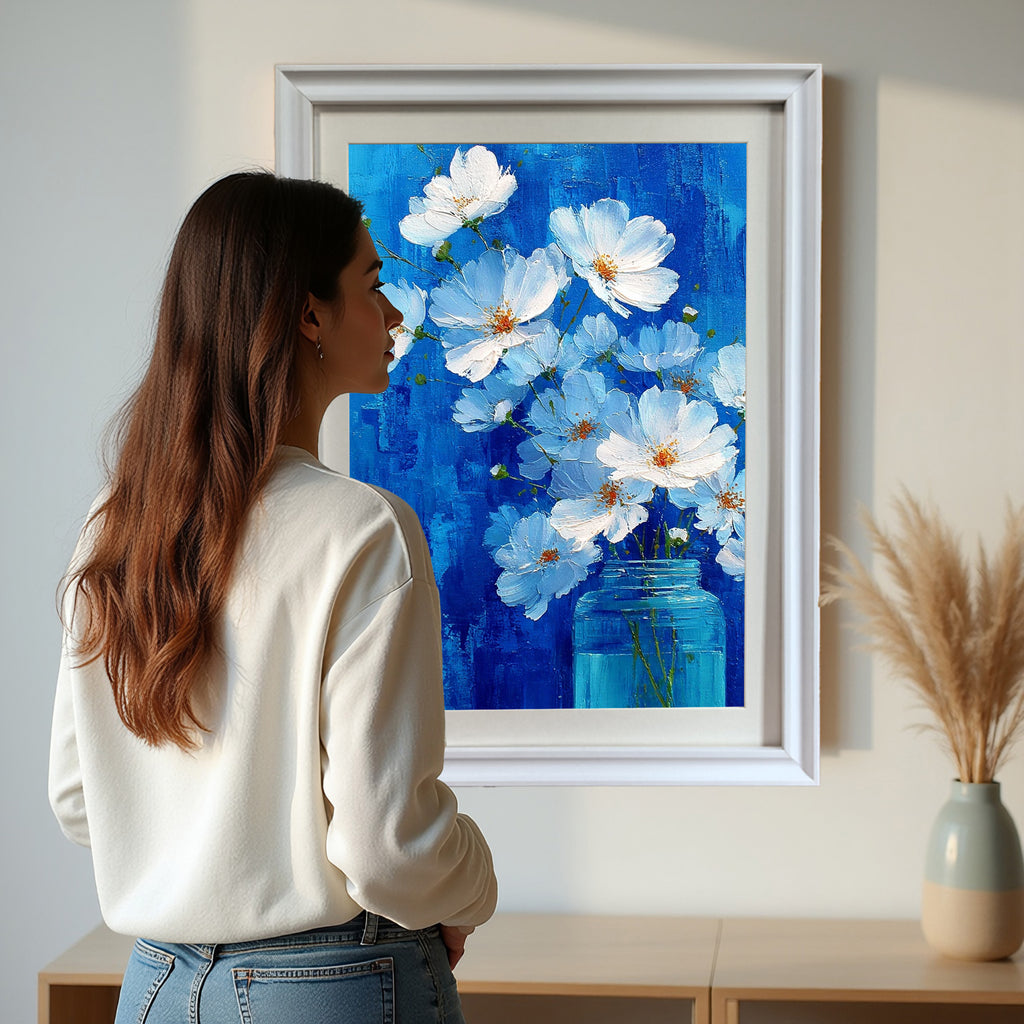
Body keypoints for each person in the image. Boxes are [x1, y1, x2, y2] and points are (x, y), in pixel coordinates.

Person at [48, 170, 497, 1024]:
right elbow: (387, 846)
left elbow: (80, 800)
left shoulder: (117, 524)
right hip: (334, 986)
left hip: (153, 989)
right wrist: (471, 880)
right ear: (309, 313)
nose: (396, 315)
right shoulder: (364, 528)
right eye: (373, 285)